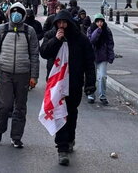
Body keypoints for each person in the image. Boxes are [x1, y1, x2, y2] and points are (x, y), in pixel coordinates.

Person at [39, 10, 96, 166]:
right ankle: (62, 149)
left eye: (65, 23)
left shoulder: (81, 39)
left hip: (74, 83)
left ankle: (70, 139)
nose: (62, 26)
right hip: (56, 85)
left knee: (71, 114)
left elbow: (89, 62)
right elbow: (43, 52)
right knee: (59, 114)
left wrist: (90, 83)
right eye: (59, 23)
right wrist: (56, 41)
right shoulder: (51, 35)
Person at [0, 2, 39, 148]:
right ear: (9, 14)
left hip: (23, 74)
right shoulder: (1, 30)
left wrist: (34, 76)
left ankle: (16, 137)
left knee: (20, 107)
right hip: (5, 73)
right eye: (13, 12)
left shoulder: (30, 32)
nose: (16, 15)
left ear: (24, 15)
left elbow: (34, 54)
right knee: (5, 105)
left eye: (19, 12)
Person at [86, 14, 115, 105]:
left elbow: (110, 43)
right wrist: (98, 31)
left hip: (103, 57)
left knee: (102, 76)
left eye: (101, 21)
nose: (100, 23)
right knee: (92, 77)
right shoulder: (90, 29)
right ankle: (91, 94)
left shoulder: (107, 30)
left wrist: (111, 55)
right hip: (92, 57)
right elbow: (91, 41)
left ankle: (102, 95)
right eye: (98, 21)